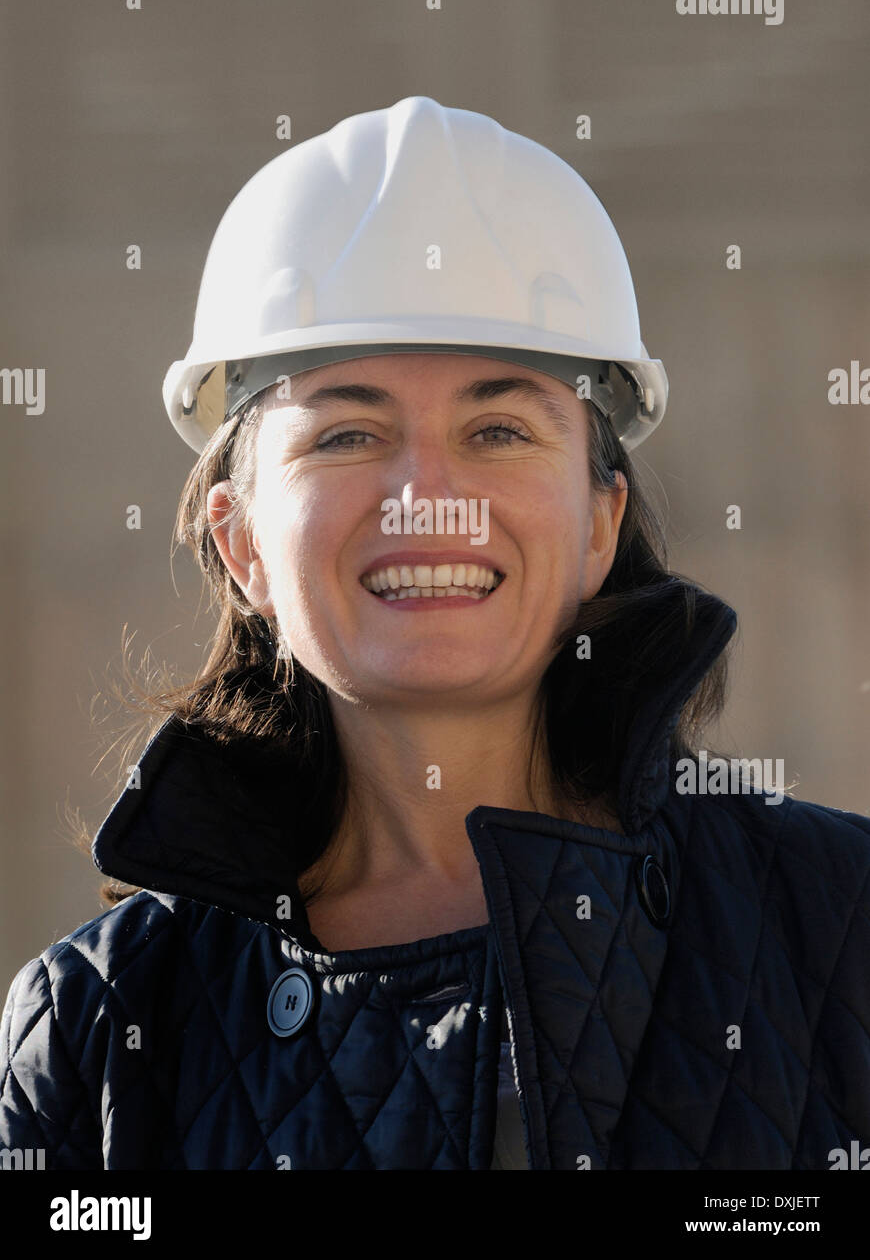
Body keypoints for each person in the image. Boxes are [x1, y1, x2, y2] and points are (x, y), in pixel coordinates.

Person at [1, 96, 868, 1171]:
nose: (426, 500)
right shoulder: (101, 1031)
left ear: (600, 521)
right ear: (243, 543)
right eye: (350, 433)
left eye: (498, 429)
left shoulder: (840, 927)